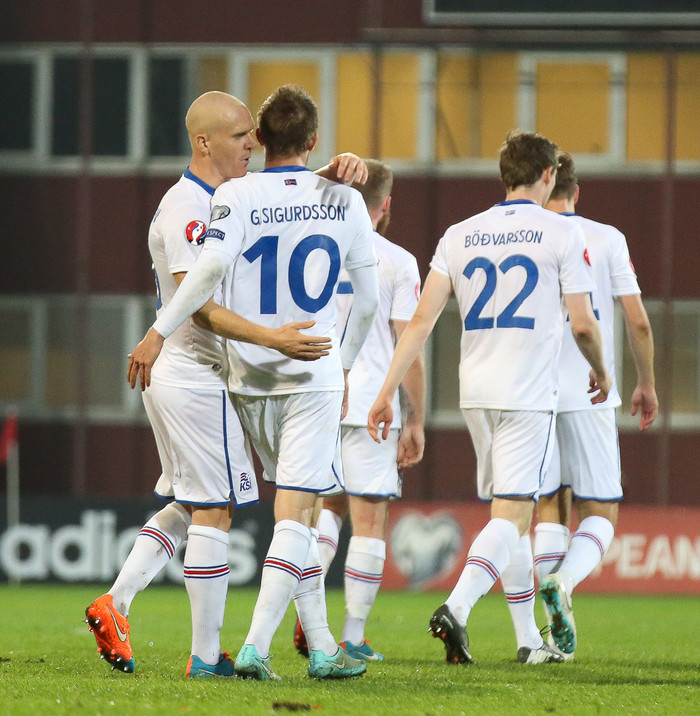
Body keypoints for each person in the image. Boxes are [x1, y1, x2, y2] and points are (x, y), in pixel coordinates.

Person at [85, 90, 368, 677]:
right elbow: (203, 306)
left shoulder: (230, 196)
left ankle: (118, 601)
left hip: (209, 374)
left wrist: (320, 173)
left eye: (254, 135)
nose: (251, 146)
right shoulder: (188, 206)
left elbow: (277, 199)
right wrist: (271, 338)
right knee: (220, 510)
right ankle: (209, 656)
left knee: (194, 503)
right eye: (240, 136)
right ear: (203, 141)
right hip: (198, 374)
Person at [368, 131, 612, 665]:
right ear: (548, 175)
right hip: (527, 393)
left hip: (475, 393)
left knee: (511, 514)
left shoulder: (459, 234)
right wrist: (600, 370)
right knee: (513, 516)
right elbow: (583, 324)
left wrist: (387, 392)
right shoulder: (561, 231)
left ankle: (528, 641)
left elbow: (419, 323)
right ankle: (456, 607)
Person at [293, 159, 425, 662]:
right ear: (386, 205)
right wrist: (415, 417)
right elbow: (408, 346)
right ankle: (351, 634)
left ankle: (308, 613)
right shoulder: (397, 260)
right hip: (373, 402)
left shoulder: (313, 248)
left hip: (318, 395)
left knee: (326, 509)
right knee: (370, 519)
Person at [533, 152, 658, 658]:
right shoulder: (607, 238)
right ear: (577, 192)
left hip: (533, 393)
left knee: (547, 507)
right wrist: (645, 382)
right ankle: (563, 584)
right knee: (600, 509)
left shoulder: (526, 235)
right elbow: (638, 320)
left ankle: (549, 640)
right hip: (590, 390)